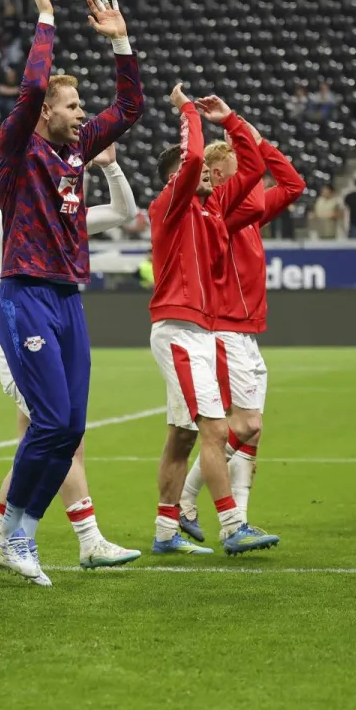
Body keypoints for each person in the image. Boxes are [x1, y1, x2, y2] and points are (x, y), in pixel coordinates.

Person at [0, 0, 144, 584]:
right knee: (50, 422)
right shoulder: (16, 151)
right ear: (48, 110)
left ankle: (20, 534)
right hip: (24, 295)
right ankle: (17, 534)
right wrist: (46, 19)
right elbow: (30, 89)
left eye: (83, 107)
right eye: (74, 106)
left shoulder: (78, 151)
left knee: (72, 426)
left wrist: (121, 43)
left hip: (67, 299)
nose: (83, 115)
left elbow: (129, 108)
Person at [0, 142, 142, 575]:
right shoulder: (9, 219)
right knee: (62, 437)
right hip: (24, 341)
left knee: (39, 446)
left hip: (50, 336)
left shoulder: (62, 220)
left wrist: (110, 167)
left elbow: (125, 213)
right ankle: (87, 541)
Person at [148, 85, 279, 556]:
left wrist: (231, 120)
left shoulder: (212, 208)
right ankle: (231, 524)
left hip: (201, 331)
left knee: (182, 435)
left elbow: (257, 167)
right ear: (176, 178)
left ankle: (166, 531)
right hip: (180, 330)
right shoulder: (170, 206)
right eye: (197, 171)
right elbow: (195, 152)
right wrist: (186, 110)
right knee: (216, 429)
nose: (206, 174)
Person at [173, 102, 305, 543]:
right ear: (216, 173)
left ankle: (239, 523)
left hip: (246, 331)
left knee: (253, 432)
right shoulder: (225, 212)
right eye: (232, 163)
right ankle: (186, 500)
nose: (246, 168)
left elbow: (293, 183)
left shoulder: (250, 212)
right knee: (244, 425)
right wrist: (238, 129)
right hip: (225, 328)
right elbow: (266, 176)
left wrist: (258, 140)